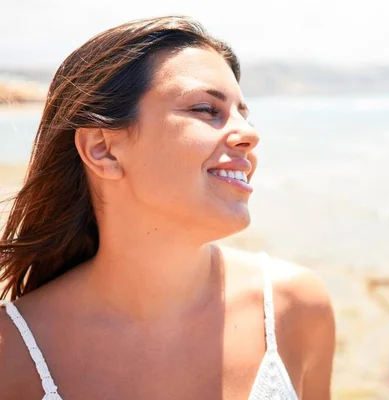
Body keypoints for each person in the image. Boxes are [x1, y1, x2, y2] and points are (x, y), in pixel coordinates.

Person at [0, 16, 335, 399]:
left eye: (244, 112)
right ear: (103, 149)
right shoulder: (12, 353)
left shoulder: (294, 309)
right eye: (207, 110)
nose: (249, 133)